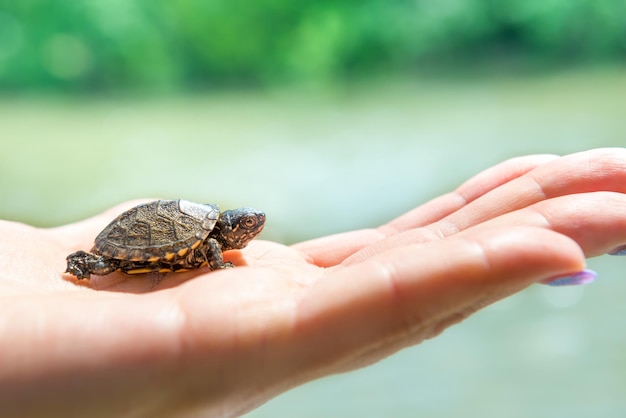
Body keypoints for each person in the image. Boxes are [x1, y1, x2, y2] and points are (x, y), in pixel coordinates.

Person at [0, 147, 624, 417]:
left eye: (250, 225)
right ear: (233, 230)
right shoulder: (210, 244)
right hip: (130, 241)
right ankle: (93, 263)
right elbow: (199, 249)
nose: (255, 226)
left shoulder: (218, 237)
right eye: (248, 225)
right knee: (103, 262)